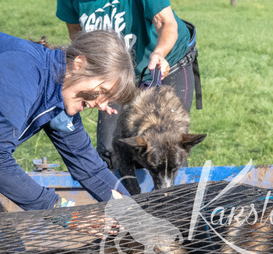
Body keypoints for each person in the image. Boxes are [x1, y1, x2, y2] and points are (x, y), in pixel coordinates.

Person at [0, 29, 136, 214]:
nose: (102, 105)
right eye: (102, 91)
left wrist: (132, 214)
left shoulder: (59, 95)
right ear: (79, 64)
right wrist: (63, 212)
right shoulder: (22, 71)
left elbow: (90, 169)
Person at [56, 0, 202, 169]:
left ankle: (174, 185)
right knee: (110, 151)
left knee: (168, 144)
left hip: (166, 63)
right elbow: (78, 37)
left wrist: (160, 52)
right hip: (115, 74)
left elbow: (165, 22)